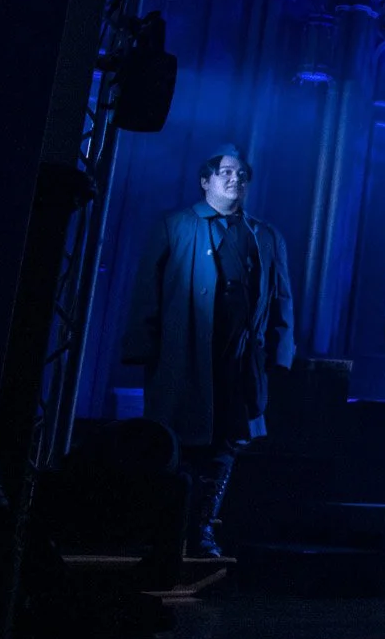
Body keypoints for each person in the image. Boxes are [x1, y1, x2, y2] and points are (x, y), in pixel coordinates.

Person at [120, 144, 295, 557]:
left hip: (239, 360)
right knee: (178, 441)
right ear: (206, 180)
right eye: (226, 173)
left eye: (241, 175)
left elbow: (281, 296)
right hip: (184, 355)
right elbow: (147, 289)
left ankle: (201, 529)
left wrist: (279, 351)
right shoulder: (176, 225)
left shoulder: (266, 235)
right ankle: (164, 530)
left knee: (225, 444)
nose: (236, 179)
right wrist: (144, 346)